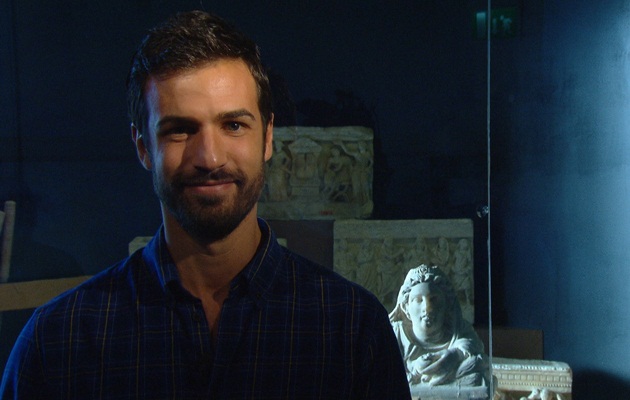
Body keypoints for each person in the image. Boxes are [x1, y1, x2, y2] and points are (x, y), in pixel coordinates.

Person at [0, 10, 411, 399]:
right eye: (180, 130)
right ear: (143, 146)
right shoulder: (58, 342)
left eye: (233, 125)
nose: (210, 158)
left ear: (268, 137)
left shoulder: (352, 330)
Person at [389, 264, 489, 389]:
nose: (427, 308)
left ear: (446, 304)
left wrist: (455, 354)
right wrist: (415, 368)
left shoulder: (457, 330)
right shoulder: (395, 333)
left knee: (478, 363)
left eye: (434, 299)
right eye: (418, 300)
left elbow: (474, 345)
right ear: (406, 307)